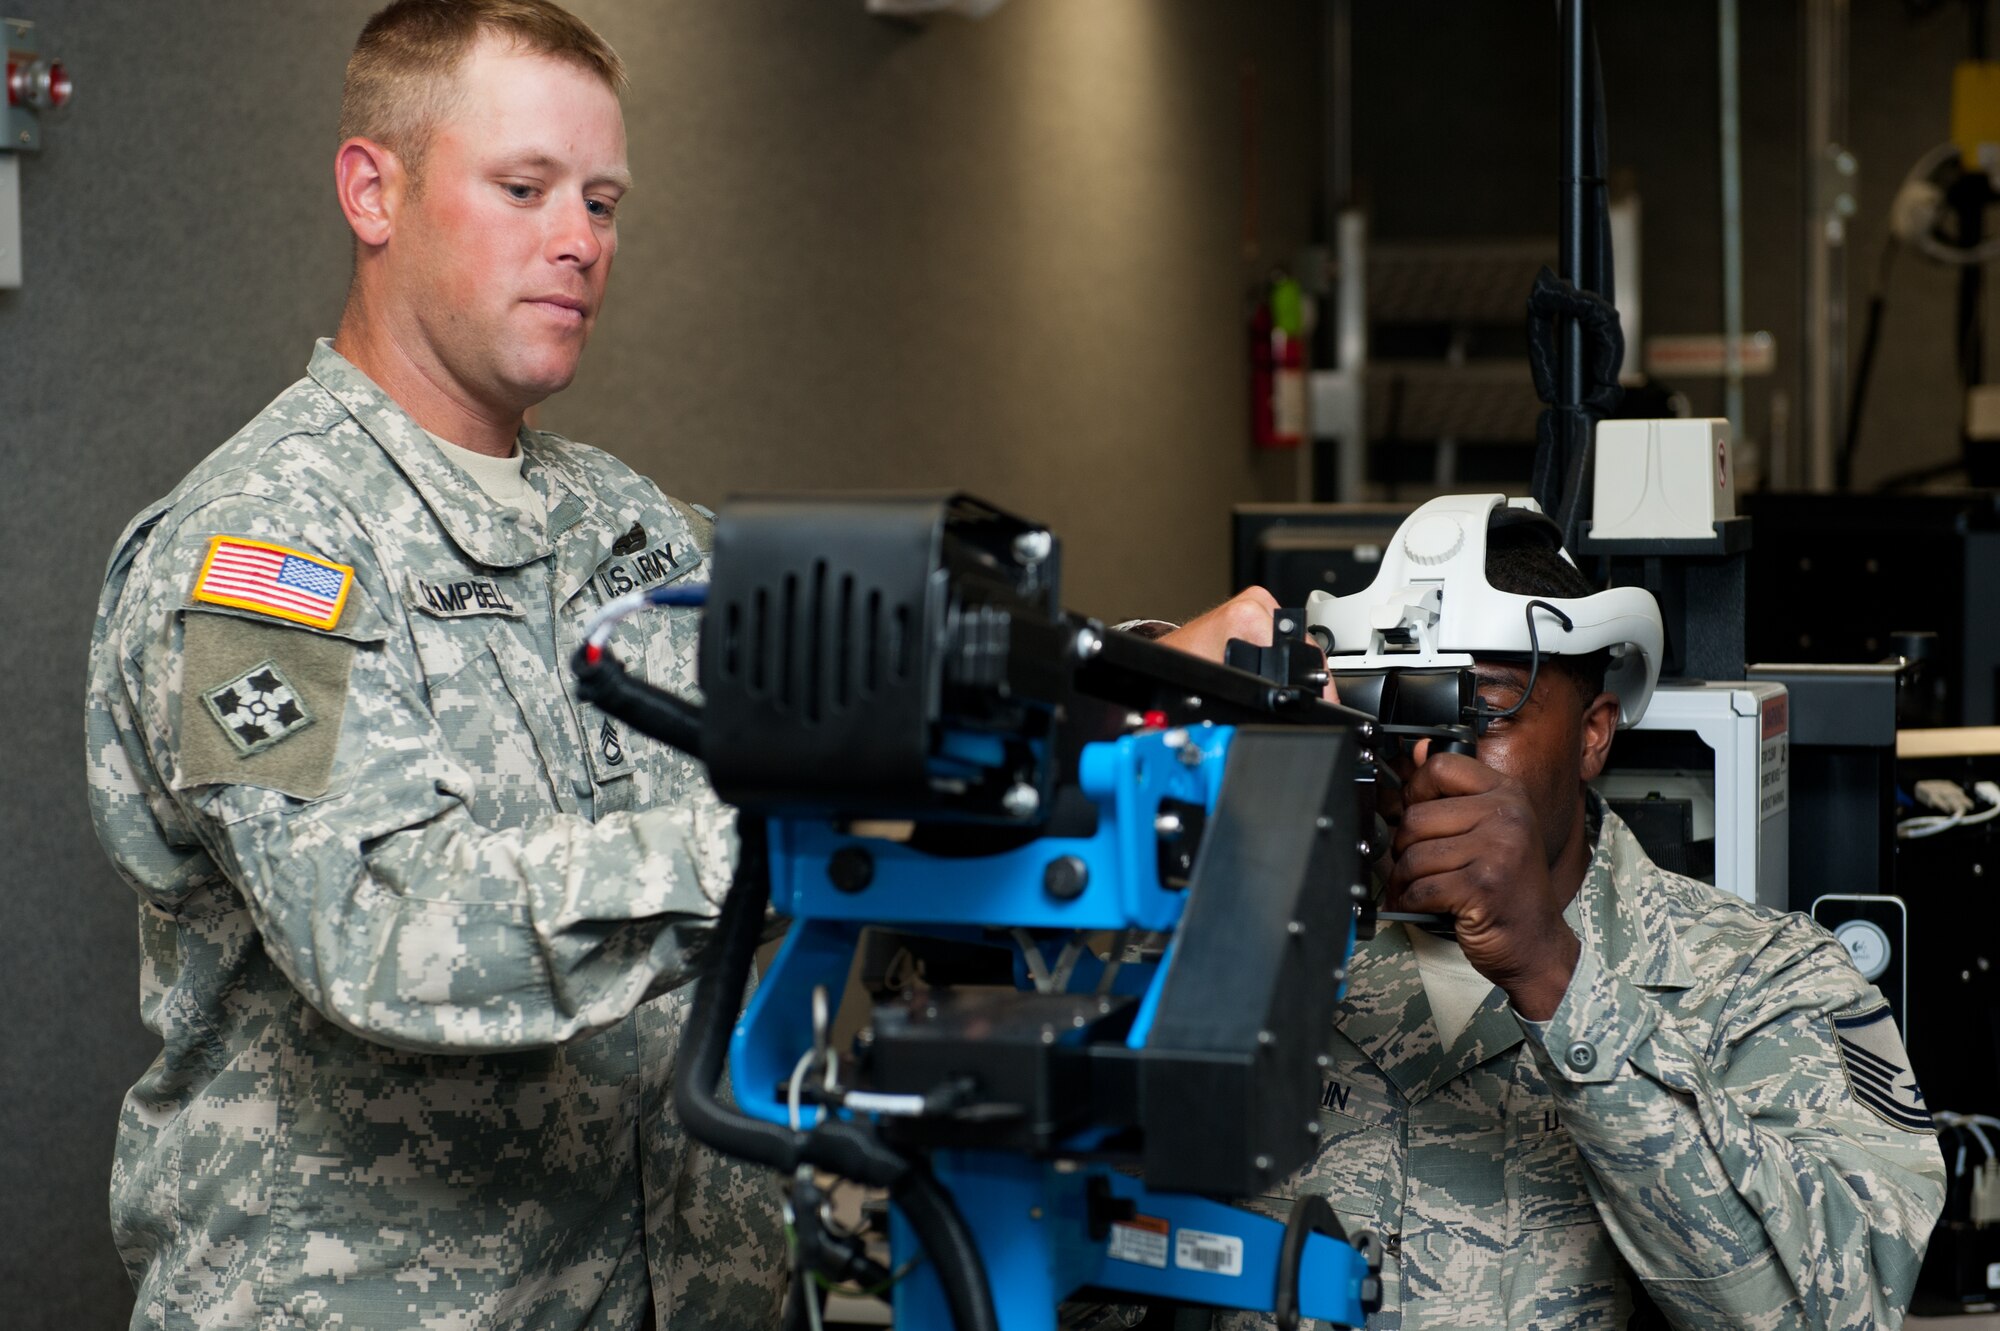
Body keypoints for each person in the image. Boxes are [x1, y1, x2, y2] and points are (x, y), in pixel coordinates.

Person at [83, 3, 786, 1327]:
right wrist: (771, 841)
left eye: (602, 201)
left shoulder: (623, 522)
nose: (579, 240)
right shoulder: (264, 549)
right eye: (523, 188)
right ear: (374, 190)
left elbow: (857, 673)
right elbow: (383, 919)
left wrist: (1138, 672)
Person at [1158, 510, 1946, 1330]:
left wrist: (1553, 974)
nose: (1430, 758)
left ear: (1592, 735)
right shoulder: (1247, 945)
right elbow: (1063, 1266)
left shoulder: (1767, 980)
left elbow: (1835, 1312)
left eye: (1482, 710)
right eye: (1394, 710)